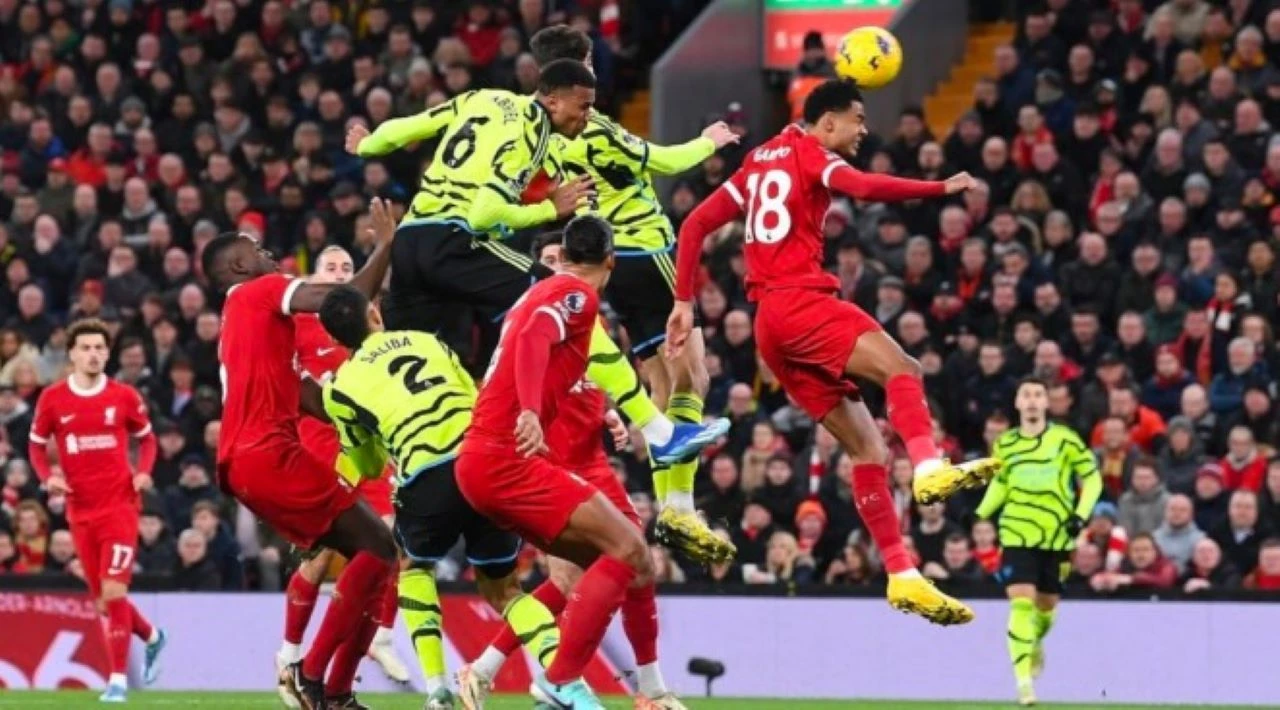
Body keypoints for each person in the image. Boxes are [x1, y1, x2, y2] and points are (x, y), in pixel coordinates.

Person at [667, 78, 999, 625]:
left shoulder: (756, 162)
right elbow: (864, 188)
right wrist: (939, 188)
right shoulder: (810, 154)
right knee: (903, 367)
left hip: (769, 330)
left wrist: (684, 301)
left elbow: (696, 224)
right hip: (802, 302)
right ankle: (929, 466)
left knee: (870, 451)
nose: (864, 130)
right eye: (858, 120)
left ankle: (903, 575)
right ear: (826, 123)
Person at [456, 215, 726, 708]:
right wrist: (535, 414)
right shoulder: (575, 296)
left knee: (634, 561)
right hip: (516, 459)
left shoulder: (545, 301)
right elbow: (539, 336)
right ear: (611, 260)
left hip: (507, 460)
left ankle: (649, 692)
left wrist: (608, 414)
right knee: (615, 556)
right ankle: (558, 679)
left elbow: (562, 357)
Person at [527, 23, 740, 565]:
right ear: (572, 72)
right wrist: (709, 141)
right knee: (693, 372)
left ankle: (672, 506)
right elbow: (665, 162)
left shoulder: (534, 130)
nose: (594, 75)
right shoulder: (591, 126)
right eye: (588, 66)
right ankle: (680, 505)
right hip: (646, 249)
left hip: (609, 260)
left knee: (661, 380)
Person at [315, 285, 569, 710]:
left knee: (413, 565)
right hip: (481, 461)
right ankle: (565, 680)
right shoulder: (428, 341)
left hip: (426, 471)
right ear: (375, 314)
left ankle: (437, 690)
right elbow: (477, 401)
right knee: (506, 591)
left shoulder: (339, 388)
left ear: (335, 341)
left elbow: (371, 466)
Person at [201, 198, 398, 710]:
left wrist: (378, 418)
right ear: (241, 264)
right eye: (260, 250)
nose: (273, 257)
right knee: (379, 548)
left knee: (373, 557)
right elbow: (345, 302)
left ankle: (334, 693)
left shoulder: (253, 332)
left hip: (249, 463)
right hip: (268, 454)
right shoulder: (257, 291)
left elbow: (312, 400)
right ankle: (310, 676)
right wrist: (386, 245)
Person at [344, 59, 596, 351]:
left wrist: (367, 145)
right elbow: (482, 215)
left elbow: (411, 127)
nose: (587, 117)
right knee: (559, 294)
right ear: (553, 103)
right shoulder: (533, 131)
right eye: (583, 107)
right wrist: (550, 209)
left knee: (410, 352)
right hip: (451, 239)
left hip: (409, 238)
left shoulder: (482, 98)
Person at [274, 245, 409, 705]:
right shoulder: (298, 325)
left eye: (347, 268)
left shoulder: (369, 322)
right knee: (322, 558)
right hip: (320, 449)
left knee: (388, 545)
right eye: (330, 268)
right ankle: (291, 653)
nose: (339, 274)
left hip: (367, 445)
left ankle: (369, 652)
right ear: (314, 277)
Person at [28, 318, 168, 703]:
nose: (93, 354)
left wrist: (142, 474)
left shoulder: (123, 396)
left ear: (108, 354)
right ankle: (153, 636)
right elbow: (36, 447)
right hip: (79, 510)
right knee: (104, 601)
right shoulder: (53, 398)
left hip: (120, 506)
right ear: (72, 354)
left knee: (113, 590)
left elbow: (149, 440)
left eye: (99, 348)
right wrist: (46, 477)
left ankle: (118, 680)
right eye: (86, 348)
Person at [977, 377, 1102, 707]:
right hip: (1016, 532)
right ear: (1017, 403)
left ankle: (1035, 642)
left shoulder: (1065, 440)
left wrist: (1081, 514)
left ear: (1047, 403)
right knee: (1021, 602)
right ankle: (1024, 686)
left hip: (1057, 534)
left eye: (1037, 395)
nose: (1031, 401)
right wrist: (980, 514)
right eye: (1026, 395)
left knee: (1045, 609)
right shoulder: (1005, 444)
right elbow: (1001, 484)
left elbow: (1092, 478)